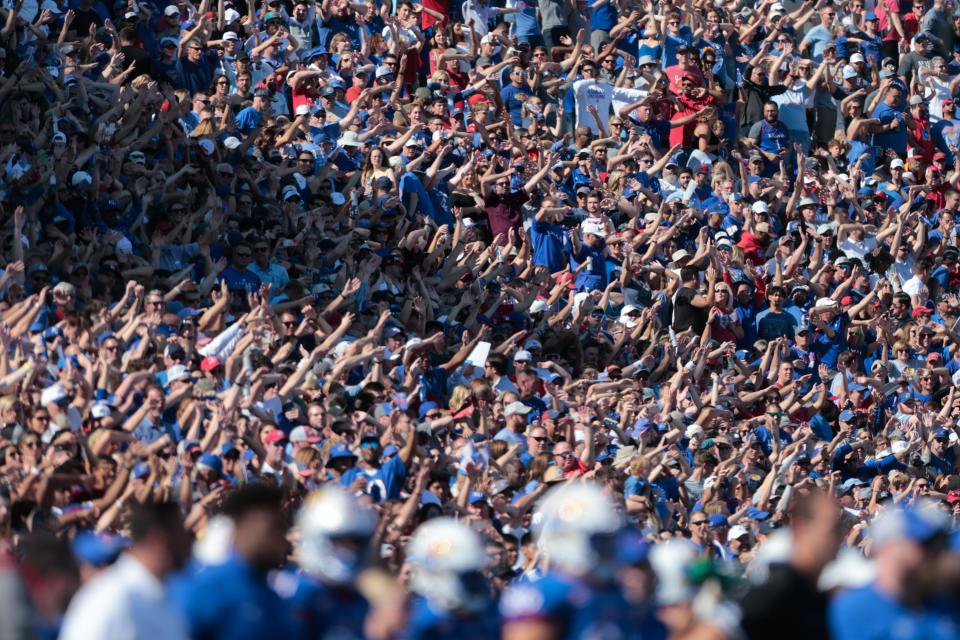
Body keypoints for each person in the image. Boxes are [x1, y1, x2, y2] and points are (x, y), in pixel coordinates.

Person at [170, 485, 296, 639]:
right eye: (273, 530)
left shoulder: (277, 594)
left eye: (282, 531)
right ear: (241, 525)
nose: (282, 543)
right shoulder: (203, 589)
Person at [60, 503, 191, 640]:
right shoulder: (108, 598)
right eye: (181, 534)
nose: (188, 543)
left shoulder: (166, 593)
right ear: (159, 540)